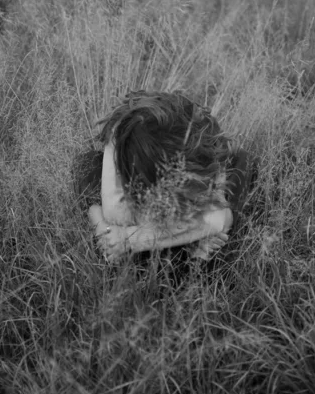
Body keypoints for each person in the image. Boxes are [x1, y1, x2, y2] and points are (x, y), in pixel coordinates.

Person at [74, 91, 256, 277]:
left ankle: (193, 251)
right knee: (86, 166)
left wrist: (127, 239)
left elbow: (220, 217)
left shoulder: (204, 138)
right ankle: (185, 247)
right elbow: (116, 216)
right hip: (139, 193)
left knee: (242, 160)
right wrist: (103, 225)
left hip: (158, 212)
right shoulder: (119, 136)